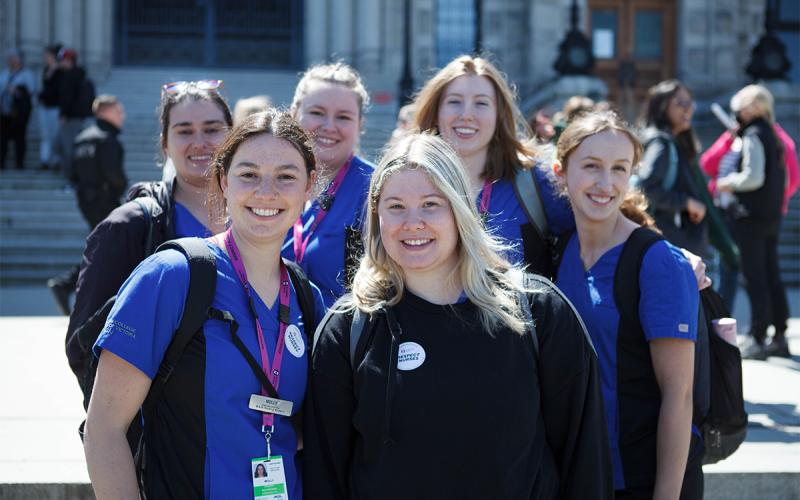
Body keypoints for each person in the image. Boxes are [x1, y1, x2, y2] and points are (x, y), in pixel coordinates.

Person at [305, 132, 613, 500]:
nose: (413, 222)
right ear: (376, 216)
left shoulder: (536, 312)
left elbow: (585, 462)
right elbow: (325, 477)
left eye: (431, 204)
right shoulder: (349, 330)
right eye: (396, 206)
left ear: (461, 209)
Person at [84, 109, 325, 498]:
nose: (267, 192)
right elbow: (104, 429)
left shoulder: (305, 297)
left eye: (286, 176)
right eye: (248, 175)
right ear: (223, 181)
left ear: (309, 186)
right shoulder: (172, 275)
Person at [553, 111, 703, 499]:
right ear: (560, 172)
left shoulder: (659, 262)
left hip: (639, 480)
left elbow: (679, 394)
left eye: (620, 168)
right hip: (577, 473)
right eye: (591, 166)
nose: (606, 183)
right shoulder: (560, 249)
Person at [65, 80, 233, 383]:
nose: (199, 141)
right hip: (169, 421)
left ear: (232, 136)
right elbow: (83, 344)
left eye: (212, 129)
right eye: (184, 131)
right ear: (165, 143)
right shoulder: (129, 226)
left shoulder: (260, 214)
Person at [411, 55, 574, 276]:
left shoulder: (534, 182)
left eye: (481, 103)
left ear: (499, 115)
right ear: (436, 111)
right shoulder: (407, 181)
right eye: (454, 101)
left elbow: (589, 240)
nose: (466, 114)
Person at [282, 62, 375, 306]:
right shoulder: (268, 179)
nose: (329, 126)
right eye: (317, 113)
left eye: (343, 117)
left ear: (360, 125)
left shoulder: (377, 190)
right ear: (294, 113)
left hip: (339, 337)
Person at [716, 85, 790, 359]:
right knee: (771, 275)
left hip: (751, 217)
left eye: (739, 108)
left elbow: (753, 176)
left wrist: (727, 183)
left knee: (755, 277)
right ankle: (780, 335)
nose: (736, 114)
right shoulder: (773, 134)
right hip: (771, 215)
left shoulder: (753, 135)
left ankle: (758, 337)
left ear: (751, 108)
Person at [48, 94, 128, 315]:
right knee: (110, 247)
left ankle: (67, 285)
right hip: (106, 201)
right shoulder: (107, 138)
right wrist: (119, 193)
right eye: (118, 111)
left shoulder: (82, 138)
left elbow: (71, 172)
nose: (122, 116)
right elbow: (115, 176)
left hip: (86, 201)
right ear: (106, 112)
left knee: (102, 246)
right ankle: (67, 284)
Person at [637, 80, 710, 259]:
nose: (688, 109)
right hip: (668, 245)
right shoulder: (660, 143)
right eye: (680, 103)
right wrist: (686, 202)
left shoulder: (674, 141)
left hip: (671, 245)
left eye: (690, 103)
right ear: (662, 107)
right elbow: (645, 187)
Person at [55, 47, 90, 181]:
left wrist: (64, 114)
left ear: (69, 60)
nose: (60, 63)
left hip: (70, 119)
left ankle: (71, 180)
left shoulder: (69, 76)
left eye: (62, 60)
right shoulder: (78, 75)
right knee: (59, 147)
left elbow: (66, 98)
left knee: (67, 150)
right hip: (75, 118)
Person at [0, 48, 35, 170]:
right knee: (2, 138)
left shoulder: (26, 75)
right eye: (10, 58)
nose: (11, 61)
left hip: (19, 113)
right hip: (4, 112)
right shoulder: (4, 74)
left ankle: (19, 162)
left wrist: (17, 91)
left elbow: (30, 92)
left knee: (19, 137)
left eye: (14, 58)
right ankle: (2, 162)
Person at [38, 43, 63, 170]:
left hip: (55, 108)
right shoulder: (46, 70)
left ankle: (56, 161)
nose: (45, 57)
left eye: (47, 55)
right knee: (45, 136)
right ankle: (44, 160)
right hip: (45, 107)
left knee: (55, 136)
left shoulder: (61, 71)